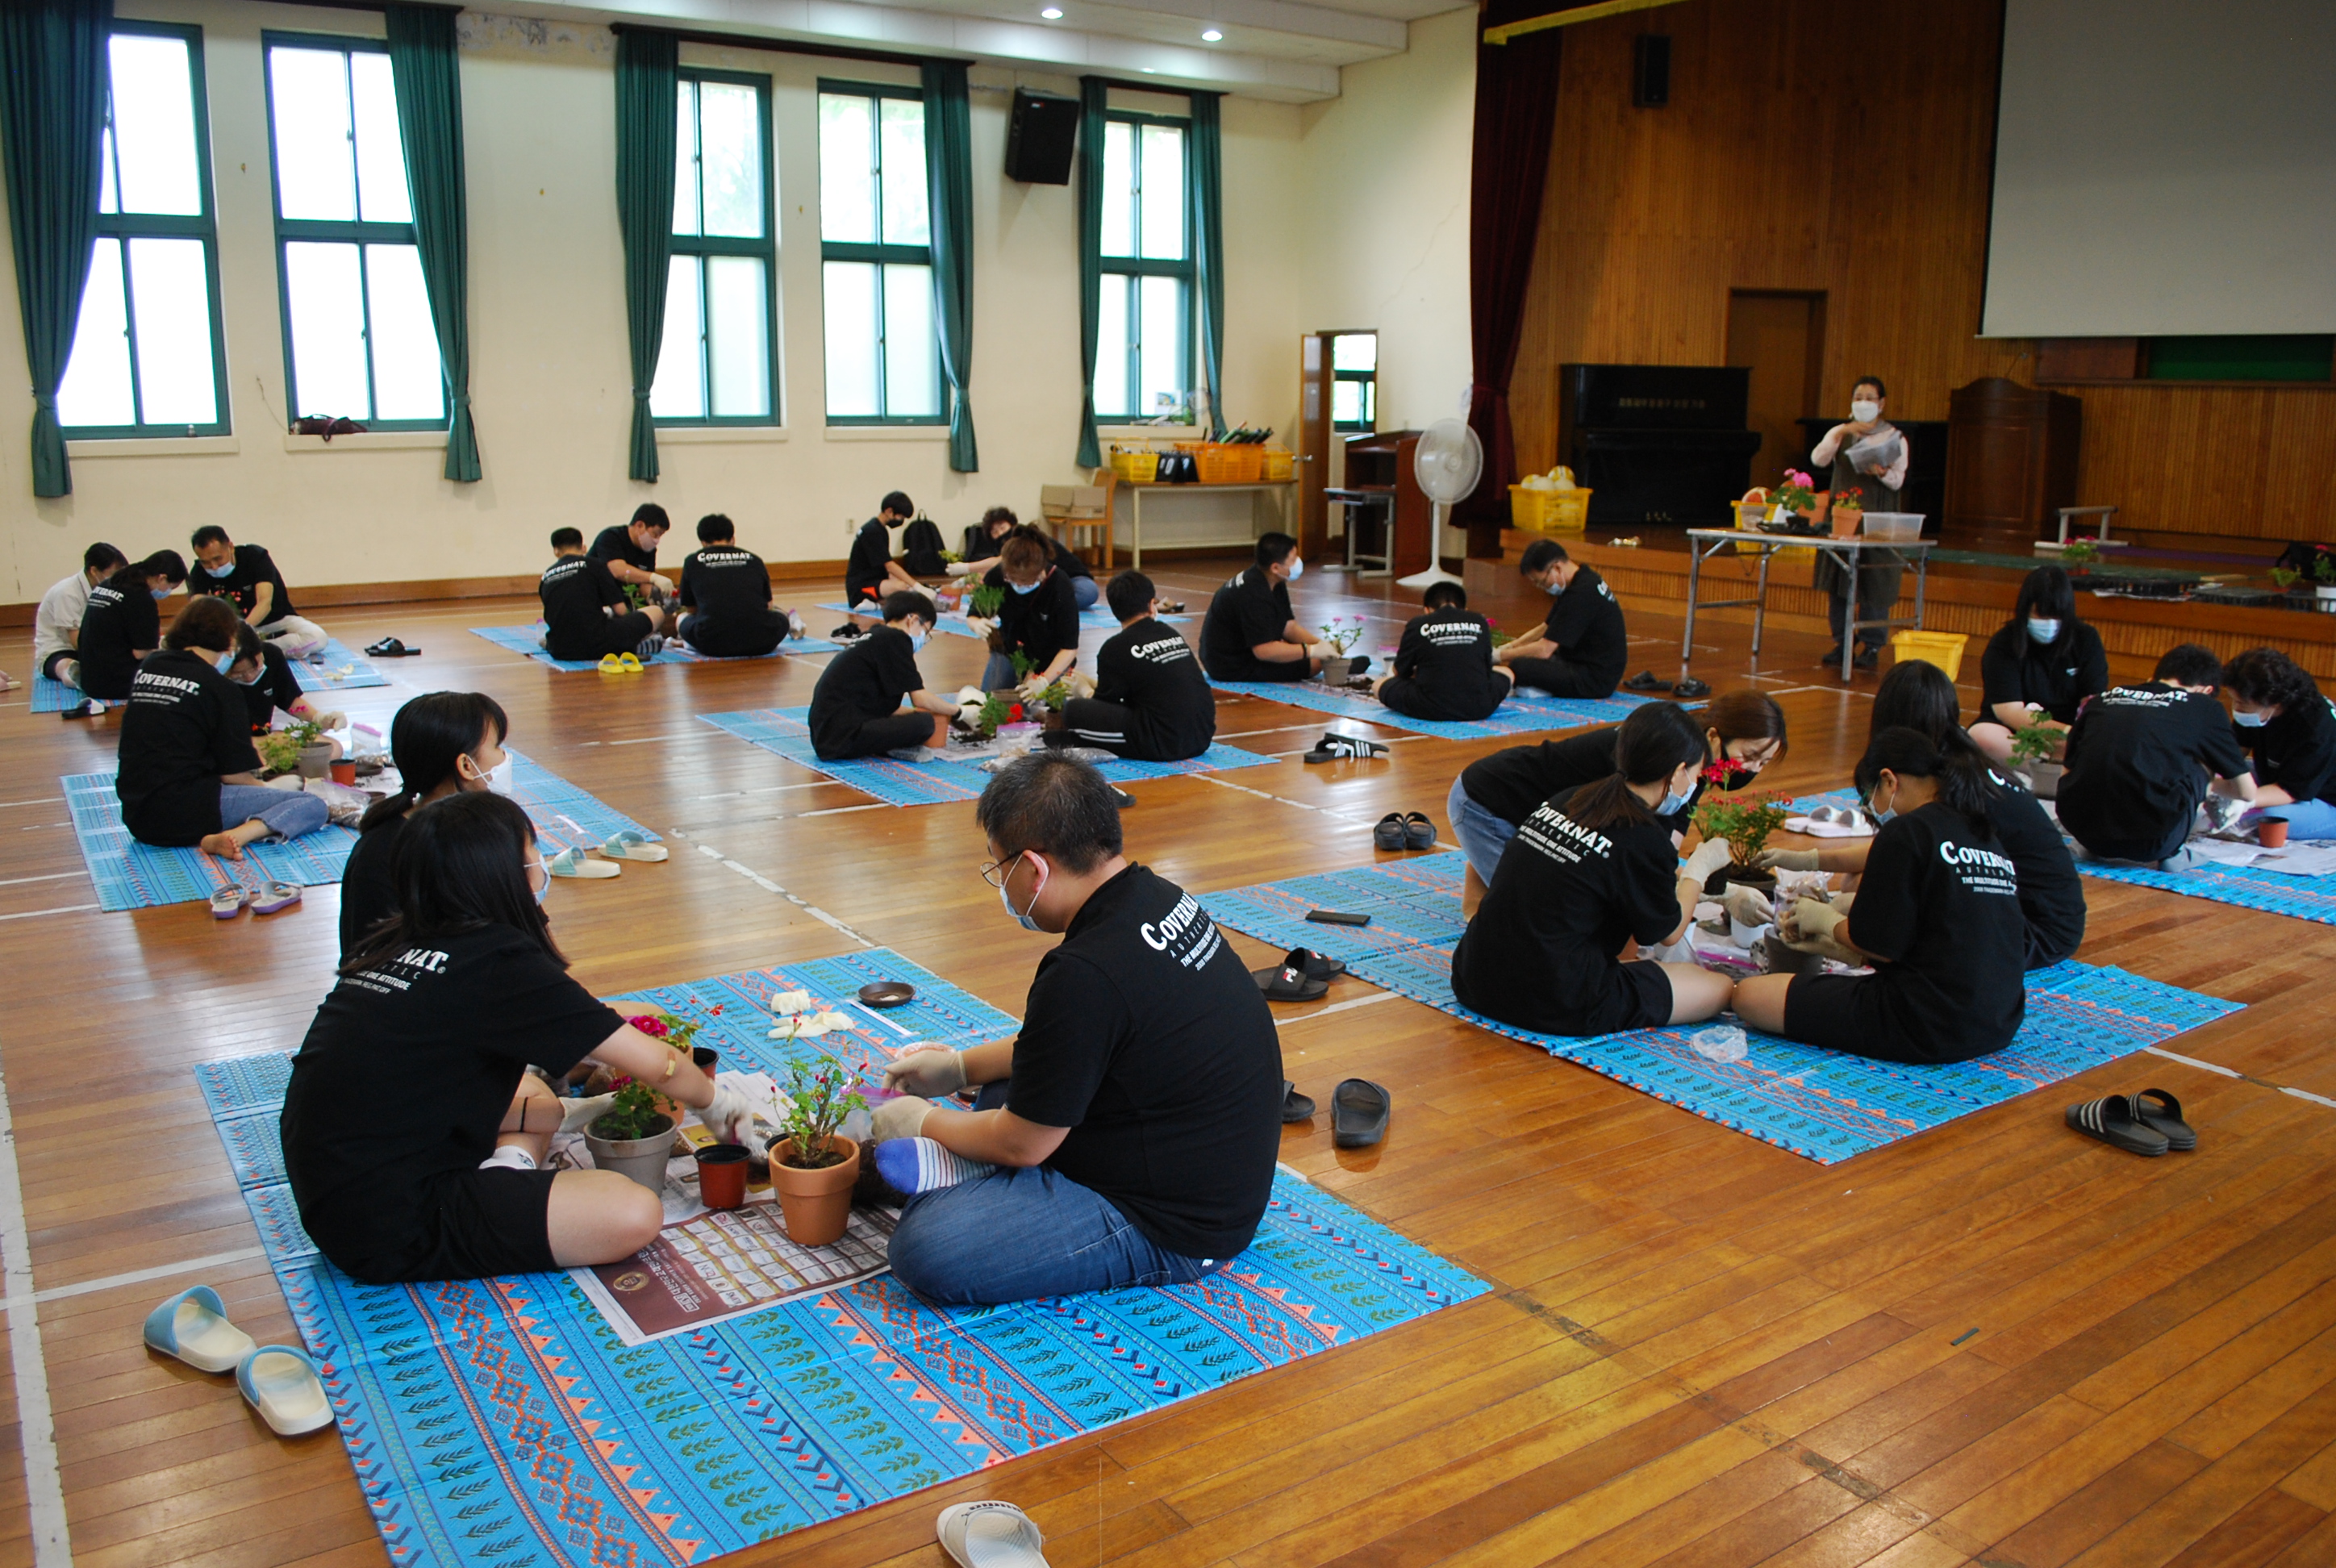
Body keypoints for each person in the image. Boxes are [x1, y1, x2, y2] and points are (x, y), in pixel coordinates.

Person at [281, 791, 760, 1283]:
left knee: (540, 1103)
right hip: (391, 1221)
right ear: (502, 875)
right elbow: (660, 1066)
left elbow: (570, 1019)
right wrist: (719, 1105)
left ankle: (506, 1170)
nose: (541, 864)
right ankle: (496, 1190)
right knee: (631, 1213)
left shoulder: (398, 938)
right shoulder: (498, 960)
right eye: (531, 851)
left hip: (335, 1180)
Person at [867, 754, 1282, 1305]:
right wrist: (958, 1068)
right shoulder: (1157, 896)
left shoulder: (1084, 971)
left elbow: (1023, 1141)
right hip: (1201, 1161)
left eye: (999, 869)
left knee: (928, 1247)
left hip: (1176, 1224)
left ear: (1034, 869)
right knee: (1002, 1093)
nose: (1002, 887)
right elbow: (1070, 1043)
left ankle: (952, 1170)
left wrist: (924, 1118)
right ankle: (966, 1161)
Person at [1760, 658, 2084, 970]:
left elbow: (1902, 873)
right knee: (1858, 885)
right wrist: (1806, 861)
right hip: (2047, 914)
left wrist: (1836, 930)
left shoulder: (1950, 789)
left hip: (2030, 930)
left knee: (1860, 900)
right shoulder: (1958, 761)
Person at [1734, 728, 2026, 1065]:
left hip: (1928, 1022)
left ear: (1889, 781)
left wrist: (1826, 923)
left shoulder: (1907, 831)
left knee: (1750, 996)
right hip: (2001, 1019)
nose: (1873, 810)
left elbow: (1876, 945)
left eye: (1869, 797)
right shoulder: (1981, 831)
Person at [1449, 702, 1739, 1036]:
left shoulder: (1570, 798)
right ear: (1677, 772)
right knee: (1718, 987)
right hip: (1557, 1000)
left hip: (1473, 976)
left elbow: (1611, 868)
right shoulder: (1646, 837)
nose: (1693, 786)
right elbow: (1668, 931)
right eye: (1696, 774)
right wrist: (1698, 872)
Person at [1448, 690, 1787, 910]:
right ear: (1714, 737)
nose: (1752, 768)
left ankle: (1489, 865)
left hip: (1531, 807)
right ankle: (1489, 863)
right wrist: (1711, 888)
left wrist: (1710, 885)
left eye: (1764, 763)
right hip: (1487, 802)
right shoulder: (1652, 760)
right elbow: (1630, 853)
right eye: (1750, 755)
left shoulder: (1688, 766)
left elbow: (1665, 848)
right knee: (1549, 912)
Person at [115, 595, 332, 857]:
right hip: (188, 813)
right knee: (312, 805)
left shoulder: (151, 666)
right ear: (230, 642)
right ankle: (237, 835)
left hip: (138, 815)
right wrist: (270, 791)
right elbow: (234, 776)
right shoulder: (219, 688)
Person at [338, 690, 510, 957]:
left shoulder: (486, 831)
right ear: (466, 765)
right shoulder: (381, 854)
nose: (505, 757)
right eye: (498, 746)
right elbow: (368, 957)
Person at [2054, 644, 2256, 871]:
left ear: (2155, 677)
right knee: (2200, 764)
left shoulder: (2103, 699)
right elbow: (2247, 792)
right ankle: (2174, 853)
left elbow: (2068, 770)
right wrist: (2209, 787)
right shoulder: (2204, 707)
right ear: (2206, 690)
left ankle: (2095, 846)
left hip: (2082, 830)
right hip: (2154, 842)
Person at [1042, 570, 1215, 761]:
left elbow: (1106, 705)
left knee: (1074, 710)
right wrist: (1090, 682)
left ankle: (1058, 739)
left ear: (1114, 610)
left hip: (1163, 744)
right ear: (1151, 605)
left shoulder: (1115, 648)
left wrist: (1084, 691)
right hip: (1202, 736)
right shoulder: (1171, 633)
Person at [1808, 376, 1911, 669]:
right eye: (1858, 396)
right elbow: (1819, 459)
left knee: (1876, 580)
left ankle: (1873, 646)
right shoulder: (1841, 432)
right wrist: (1842, 431)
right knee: (1840, 578)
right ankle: (1843, 643)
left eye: (1869, 397)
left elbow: (1897, 481)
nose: (1863, 402)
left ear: (1881, 403)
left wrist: (1880, 472)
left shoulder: (1895, 437)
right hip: (1843, 515)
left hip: (1876, 516)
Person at [1968, 565, 2109, 763]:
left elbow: (2093, 702)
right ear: (2025, 610)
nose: (2049, 623)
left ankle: (2053, 765)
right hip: (2018, 732)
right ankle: (2054, 768)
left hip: (2070, 732)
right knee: (1982, 736)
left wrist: (2074, 734)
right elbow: (2009, 712)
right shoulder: (2004, 643)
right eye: (2041, 615)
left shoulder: (2086, 639)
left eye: (2056, 616)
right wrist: (2062, 734)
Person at [806, 592, 960, 760]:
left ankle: (885, 745)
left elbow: (887, 707)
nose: (923, 639)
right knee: (925, 724)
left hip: (827, 735)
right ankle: (889, 747)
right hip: (842, 737)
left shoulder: (876, 636)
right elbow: (920, 698)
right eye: (925, 631)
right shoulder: (896, 639)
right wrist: (959, 712)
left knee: (919, 718)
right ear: (913, 620)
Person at [1198, 533, 1361, 685]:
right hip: (1228, 664)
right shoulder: (1253, 594)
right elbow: (1264, 651)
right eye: (1293, 558)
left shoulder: (1273, 580)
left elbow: (1288, 626)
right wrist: (1312, 651)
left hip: (1243, 651)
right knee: (1314, 664)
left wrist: (1322, 644)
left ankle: (1335, 662)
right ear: (1275, 567)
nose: (1298, 562)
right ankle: (1336, 666)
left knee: (1310, 657)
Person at [2224, 648, 2336, 840]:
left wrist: (2246, 801)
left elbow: (2292, 790)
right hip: (2278, 778)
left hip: (2323, 799)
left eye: (2241, 703)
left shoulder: (2315, 727)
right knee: (2230, 780)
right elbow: (2233, 754)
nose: (2236, 708)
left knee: (2268, 818)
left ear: (2272, 703)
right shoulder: (2256, 712)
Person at [1492, 538, 1626, 699]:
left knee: (1520, 666)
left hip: (1595, 679)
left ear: (1556, 568)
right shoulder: (1582, 579)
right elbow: (1546, 627)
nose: (1542, 587)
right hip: (1581, 663)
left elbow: (1544, 650)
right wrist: (1509, 647)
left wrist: (1499, 656)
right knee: (1524, 659)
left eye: (1541, 582)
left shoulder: (1582, 594)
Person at [1373, 581, 1512, 724]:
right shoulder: (1479, 621)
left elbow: (1399, 672)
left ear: (1427, 610)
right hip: (1479, 708)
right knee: (1507, 672)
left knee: (1378, 684)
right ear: (1464, 609)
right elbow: (1486, 669)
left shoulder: (1418, 624)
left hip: (1431, 708)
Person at [190, 526, 327, 661]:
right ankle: (250, 651)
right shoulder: (199, 571)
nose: (214, 567)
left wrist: (240, 633)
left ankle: (248, 651)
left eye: (218, 559)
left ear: (230, 547)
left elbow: (265, 603)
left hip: (275, 621)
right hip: (230, 628)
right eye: (206, 562)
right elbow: (197, 610)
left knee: (317, 638)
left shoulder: (255, 557)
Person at [540, 527, 671, 662]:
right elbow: (621, 611)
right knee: (656, 612)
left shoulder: (545, 577)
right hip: (597, 645)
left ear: (556, 552)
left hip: (559, 650)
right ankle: (632, 646)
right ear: (583, 548)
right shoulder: (595, 565)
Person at [73, 549, 187, 705]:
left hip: (89, 678)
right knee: (181, 672)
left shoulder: (111, 582)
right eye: (171, 587)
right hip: (116, 684)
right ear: (162, 578)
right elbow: (142, 653)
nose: (168, 592)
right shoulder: (141, 599)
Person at [676, 514, 792, 657]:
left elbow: (691, 609)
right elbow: (768, 605)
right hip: (762, 642)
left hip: (712, 645)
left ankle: (690, 646)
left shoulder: (693, 561)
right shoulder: (754, 559)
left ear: (703, 542)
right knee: (782, 616)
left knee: (681, 618)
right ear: (732, 539)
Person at [979, 530, 1082, 693]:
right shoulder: (997, 576)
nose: (1018, 585)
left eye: (1025, 581)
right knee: (991, 701)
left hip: (1052, 656)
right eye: (1011, 579)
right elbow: (975, 612)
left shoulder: (1059, 585)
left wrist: (1043, 681)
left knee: (1060, 708)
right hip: (1010, 652)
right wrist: (975, 623)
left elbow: (1069, 648)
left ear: (1040, 572)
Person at [223, 621, 346, 743]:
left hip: (266, 736)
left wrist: (320, 719)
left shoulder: (271, 655)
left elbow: (289, 699)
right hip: (236, 744)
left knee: (332, 747)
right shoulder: (216, 680)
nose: (249, 677)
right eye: (239, 674)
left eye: (256, 668)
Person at [32, 542, 127, 691]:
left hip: (89, 647)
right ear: (94, 571)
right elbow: (77, 641)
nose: (117, 580)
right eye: (113, 573)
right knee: (67, 666)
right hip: (58, 650)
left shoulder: (105, 589)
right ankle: (76, 677)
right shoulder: (67, 592)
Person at [844, 490, 928, 611]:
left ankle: (879, 602)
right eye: (900, 517)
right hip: (860, 588)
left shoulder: (879, 529)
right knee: (901, 587)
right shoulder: (872, 531)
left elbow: (883, 566)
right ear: (889, 511)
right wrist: (916, 586)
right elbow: (889, 565)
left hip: (872, 580)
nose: (901, 520)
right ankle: (874, 604)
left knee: (903, 587)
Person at [587, 504, 675, 609]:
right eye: (655, 534)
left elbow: (644, 584)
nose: (657, 540)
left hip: (626, 603)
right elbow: (618, 570)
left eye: (660, 536)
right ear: (639, 525)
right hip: (597, 600)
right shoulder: (610, 537)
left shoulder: (648, 550)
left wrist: (658, 596)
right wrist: (654, 577)